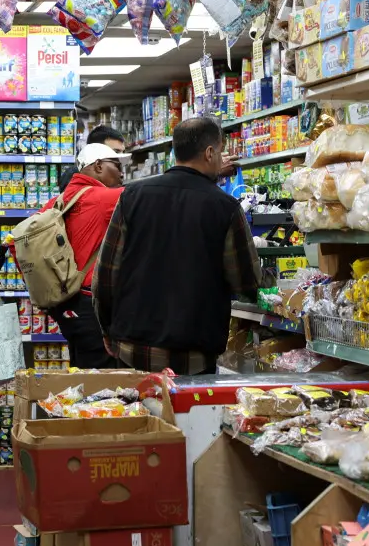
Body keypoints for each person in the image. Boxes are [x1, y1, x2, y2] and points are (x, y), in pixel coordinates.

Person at [94, 117, 262, 375]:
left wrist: (108, 329)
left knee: (139, 414)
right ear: (209, 153)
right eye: (220, 152)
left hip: (133, 348)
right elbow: (246, 281)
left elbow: (105, 275)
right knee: (189, 414)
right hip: (193, 353)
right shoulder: (225, 207)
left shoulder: (132, 196)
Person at [40, 142, 128, 369]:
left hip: (66, 304)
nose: (121, 172)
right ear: (98, 166)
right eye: (116, 165)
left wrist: (47, 288)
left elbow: (16, 243)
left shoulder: (55, 203)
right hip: (93, 305)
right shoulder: (108, 198)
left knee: (83, 373)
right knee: (106, 385)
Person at [60, 125, 127, 191]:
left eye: (123, 152)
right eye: (115, 152)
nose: (121, 158)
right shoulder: (75, 175)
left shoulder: (114, 174)